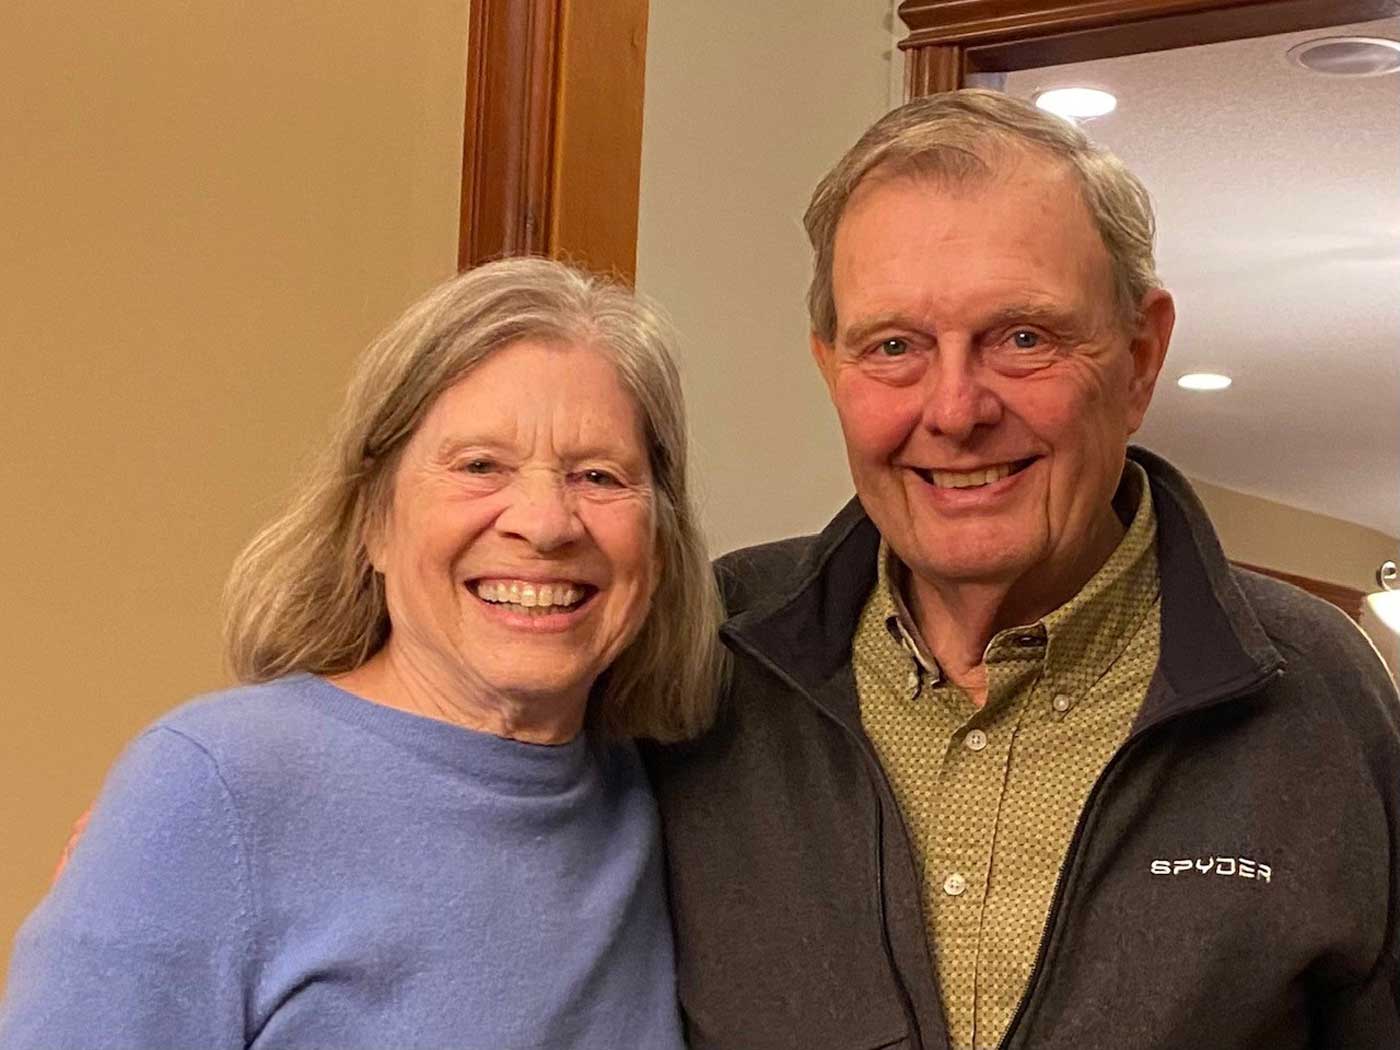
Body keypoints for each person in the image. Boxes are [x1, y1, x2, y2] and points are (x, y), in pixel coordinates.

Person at [644, 90, 1400, 1049]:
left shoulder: (1317, 695)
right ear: (832, 368)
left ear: (1139, 355)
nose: (955, 409)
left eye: (1024, 337)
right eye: (894, 347)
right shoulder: (708, 654)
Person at [0, 257, 723, 1049]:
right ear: (371, 519)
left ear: (658, 539)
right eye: (481, 466)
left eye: (598, 474)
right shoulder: (211, 790)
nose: (546, 522)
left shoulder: (672, 790)